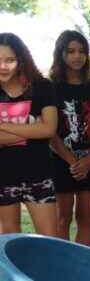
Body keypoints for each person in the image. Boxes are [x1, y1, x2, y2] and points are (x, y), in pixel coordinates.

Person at [48, 30, 90, 246]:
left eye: (82, 51)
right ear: (61, 54)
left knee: (85, 218)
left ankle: (82, 268)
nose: (77, 56)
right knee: (62, 219)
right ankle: (63, 270)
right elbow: (49, 132)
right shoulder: (50, 87)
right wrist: (73, 162)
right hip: (61, 160)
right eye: (71, 51)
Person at [0, 33, 59, 237]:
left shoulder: (42, 87)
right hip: (3, 176)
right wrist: (33, 130)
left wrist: (4, 126)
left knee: (50, 241)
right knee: (8, 242)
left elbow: (49, 129)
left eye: (10, 60)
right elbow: (41, 129)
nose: (3, 66)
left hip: (38, 174)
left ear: (21, 60)